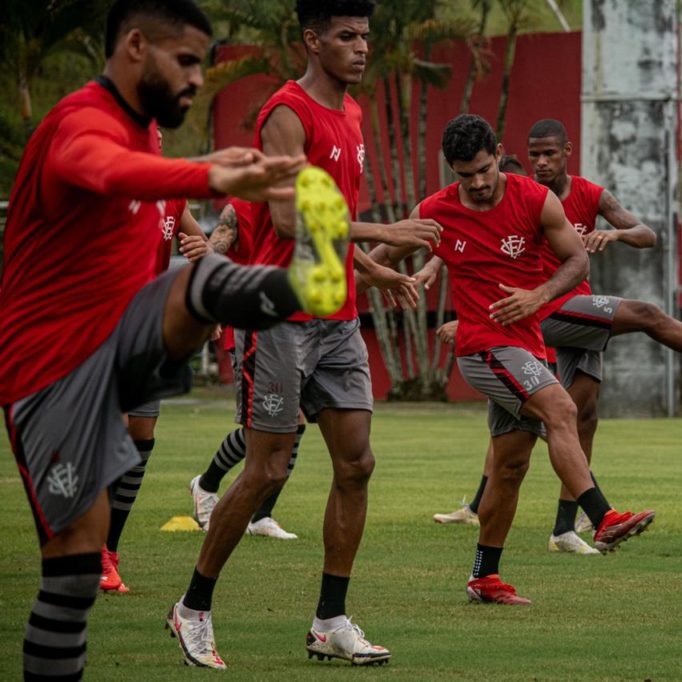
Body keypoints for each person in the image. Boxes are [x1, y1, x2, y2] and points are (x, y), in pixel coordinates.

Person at [0, 0, 346, 677]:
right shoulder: (80, 120)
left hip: (120, 335)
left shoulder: (149, 134)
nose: (196, 78)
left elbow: (150, 205)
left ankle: (302, 286)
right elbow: (101, 169)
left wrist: (200, 201)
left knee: (199, 279)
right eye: (185, 61)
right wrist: (214, 172)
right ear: (135, 47)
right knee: (72, 573)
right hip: (50, 367)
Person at [167, 0, 443, 669]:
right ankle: (192, 607)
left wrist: (373, 271)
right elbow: (292, 225)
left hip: (338, 316)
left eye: (366, 37)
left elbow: (331, 231)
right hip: (282, 317)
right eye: (346, 37)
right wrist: (388, 233)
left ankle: (330, 620)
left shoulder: (348, 116)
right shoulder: (286, 114)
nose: (361, 48)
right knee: (266, 470)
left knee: (357, 464)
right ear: (312, 41)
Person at [433, 119, 682, 556]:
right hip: (540, 312)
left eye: (549, 154)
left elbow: (647, 234)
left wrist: (615, 232)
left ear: (567, 151)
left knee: (575, 420)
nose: (541, 162)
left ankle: (560, 530)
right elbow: (455, 246)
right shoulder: (507, 195)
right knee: (640, 321)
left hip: (566, 313)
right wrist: (462, 313)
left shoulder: (586, 195)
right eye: (535, 154)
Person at [407, 113, 655, 605]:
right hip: (483, 347)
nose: (476, 183)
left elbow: (577, 260)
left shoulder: (535, 198)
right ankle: (603, 516)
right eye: (464, 175)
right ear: (450, 171)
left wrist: (537, 296)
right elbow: (378, 248)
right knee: (561, 409)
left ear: (498, 153)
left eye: (483, 169)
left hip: (525, 345)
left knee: (511, 466)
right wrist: (380, 273)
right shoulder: (435, 210)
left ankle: (484, 577)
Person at [103, 194, 212, 594]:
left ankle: (108, 550)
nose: (159, 136)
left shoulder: (173, 196)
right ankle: (88, 549)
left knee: (141, 437)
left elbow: (205, 249)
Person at [187, 200, 304, 540]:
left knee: (292, 424)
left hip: (293, 326)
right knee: (263, 428)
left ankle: (262, 515)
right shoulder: (239, 208)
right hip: (250, 327)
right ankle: (206, 484)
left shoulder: (301, 205)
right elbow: (212, 252)